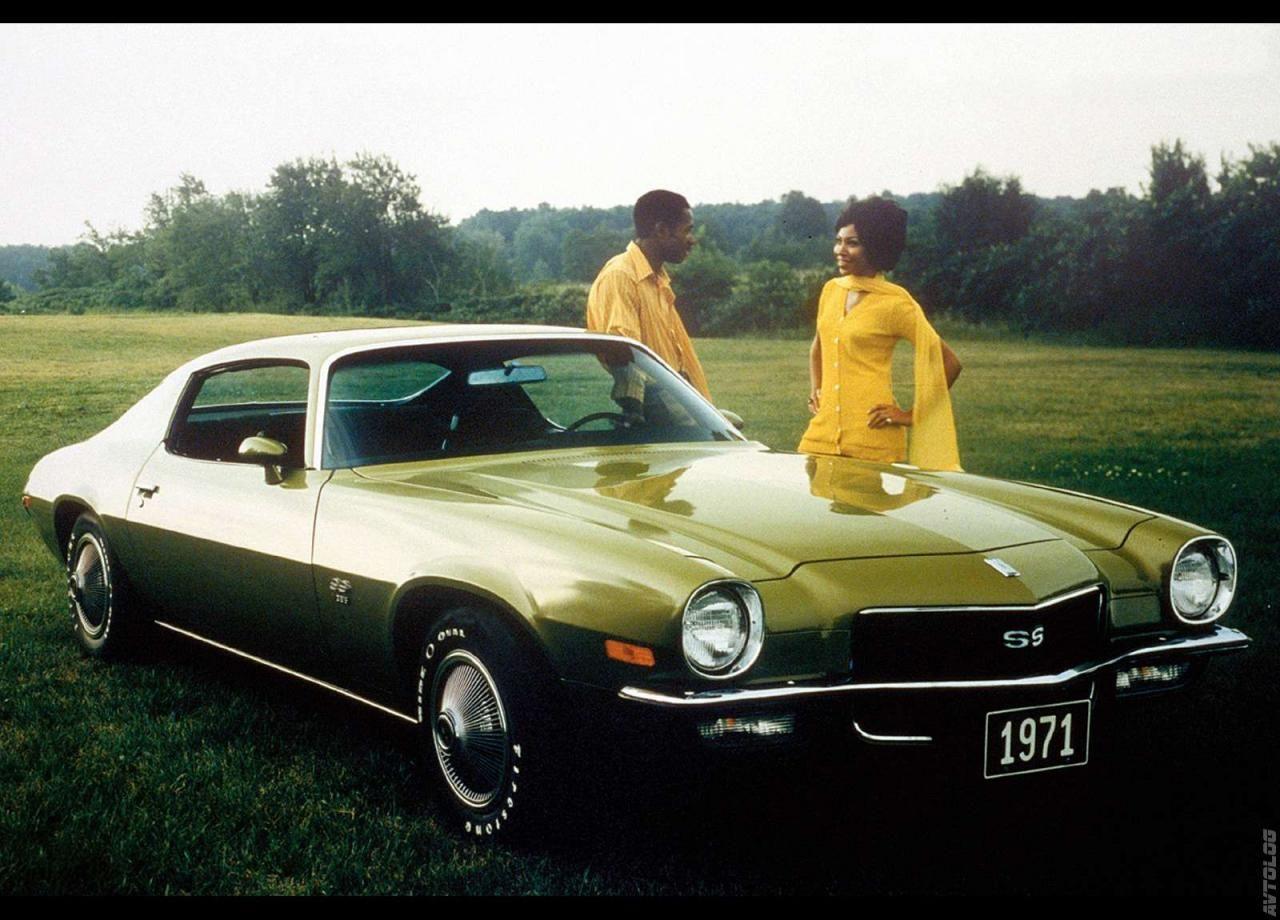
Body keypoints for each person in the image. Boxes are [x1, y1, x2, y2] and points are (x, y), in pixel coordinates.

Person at [798, 197, 963, 470]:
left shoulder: (895, 303)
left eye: (852, 243)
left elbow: (950, 363)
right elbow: (819, 346)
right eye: (838, 241)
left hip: (872, 437)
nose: (840, 250)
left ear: (875, 247)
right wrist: (817, 389)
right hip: (821, 435)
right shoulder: (831, 291)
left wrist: (910, 415)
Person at [586, 190, 712, 406]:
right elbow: (625, 357)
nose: (692, 240)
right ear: (661, 230)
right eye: (687, 231)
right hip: (658, 415)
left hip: (680, 408)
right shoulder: (621, 276)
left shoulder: (658, 280)